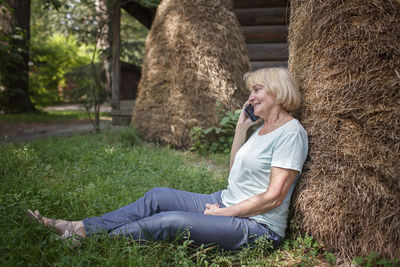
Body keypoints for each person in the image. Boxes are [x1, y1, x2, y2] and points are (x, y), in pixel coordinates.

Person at [27, 67, 308, 250]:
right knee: (158, 196)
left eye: (257, 90)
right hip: (226, 200)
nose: (251, 97)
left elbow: (273, 198)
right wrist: (241, 128)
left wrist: (223, 213)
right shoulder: (260, 129)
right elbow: (233, 173)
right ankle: (82, 226)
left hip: (258, 227)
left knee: (171, 221)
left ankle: (82, 236)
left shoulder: (291, 133)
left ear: (278, 92)